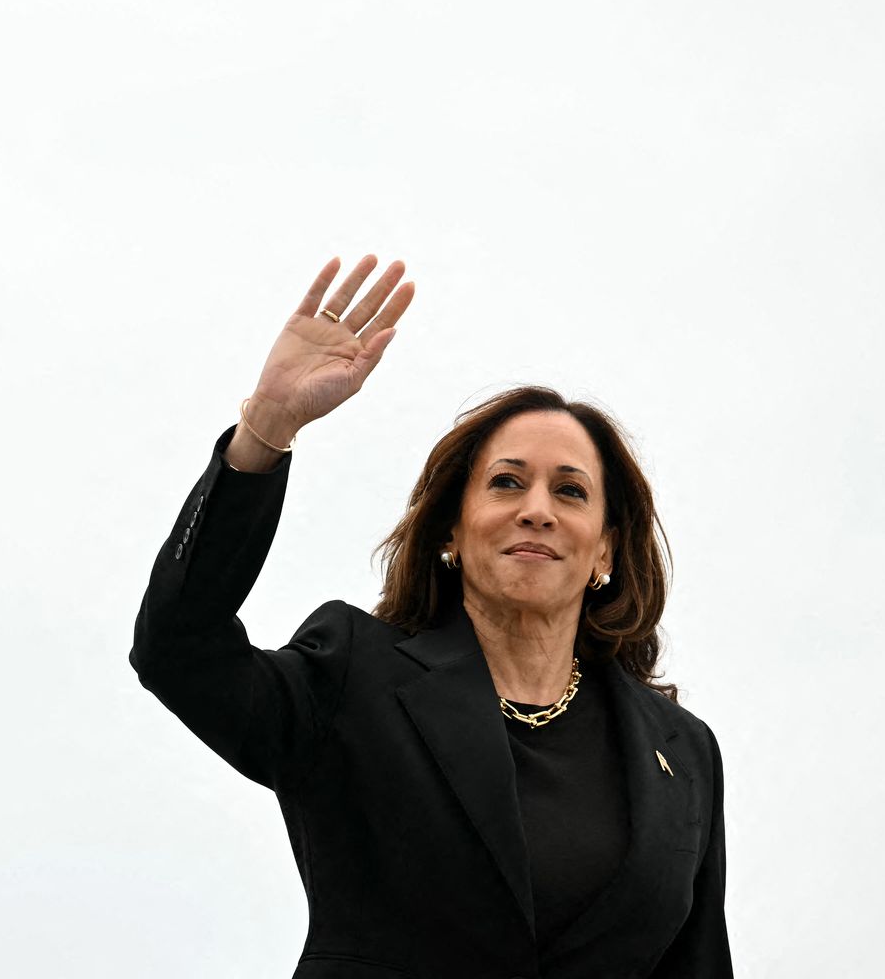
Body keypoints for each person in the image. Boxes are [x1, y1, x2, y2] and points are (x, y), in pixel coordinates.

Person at [130, 256, 731, 978]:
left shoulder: (683, 752)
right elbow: (179, 649)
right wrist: (264, 431)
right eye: (507, 482)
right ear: (452, 530)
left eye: (570, 492)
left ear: (605, 548)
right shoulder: (355, 673)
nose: (536, 508)